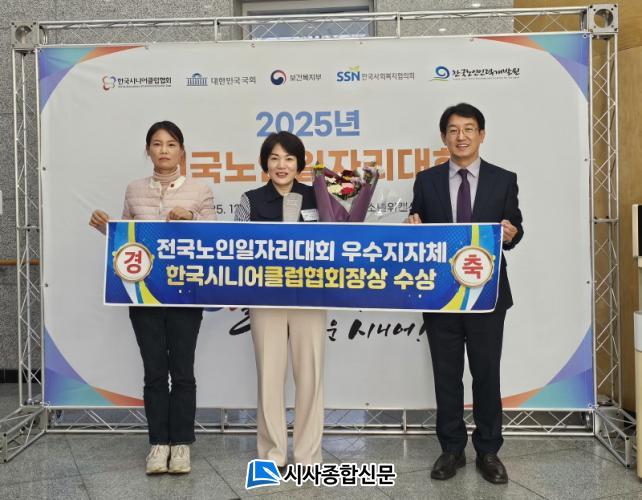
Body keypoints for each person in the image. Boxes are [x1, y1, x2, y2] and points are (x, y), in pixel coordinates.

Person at [89, 121, 216, 475]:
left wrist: (191, 216)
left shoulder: (200, 190)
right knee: (155, 372)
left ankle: (182, 445)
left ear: (182, 151)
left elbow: (214, 236)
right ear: (148, 150)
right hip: (143, 293)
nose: (164, 150)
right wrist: (107, 228)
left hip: (185, 294)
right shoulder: (134, 190)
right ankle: (159, 444)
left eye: (171, 144)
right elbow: (127, 240)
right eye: (157, 144)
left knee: (183, 371)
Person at [408, 103, 523, 484]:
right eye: (454, 130)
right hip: (441, 293)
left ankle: (488, 450)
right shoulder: (426, 181)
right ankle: (452, 449)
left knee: (486, 372)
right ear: (444, 137)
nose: (461, 136)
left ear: (481, 135)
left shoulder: (503, 179)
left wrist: (511, 233)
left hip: (487, 294)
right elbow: (418, 222)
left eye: (469, 129)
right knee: (446, 373)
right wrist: (413, 225)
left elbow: (515, 226)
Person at [234, 131, 326, 469]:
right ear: (265, 164)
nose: (281, 165)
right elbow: (237, 248)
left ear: (300, 164)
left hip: (310, 296)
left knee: (310, 376)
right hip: (266, 297)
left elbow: (337, 241)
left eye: (289, 158)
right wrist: (236, 288)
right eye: (274, 158)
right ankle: (272, 454)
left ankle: (307, 457)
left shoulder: (318, 196)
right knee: (269, 377)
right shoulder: (251, 199)